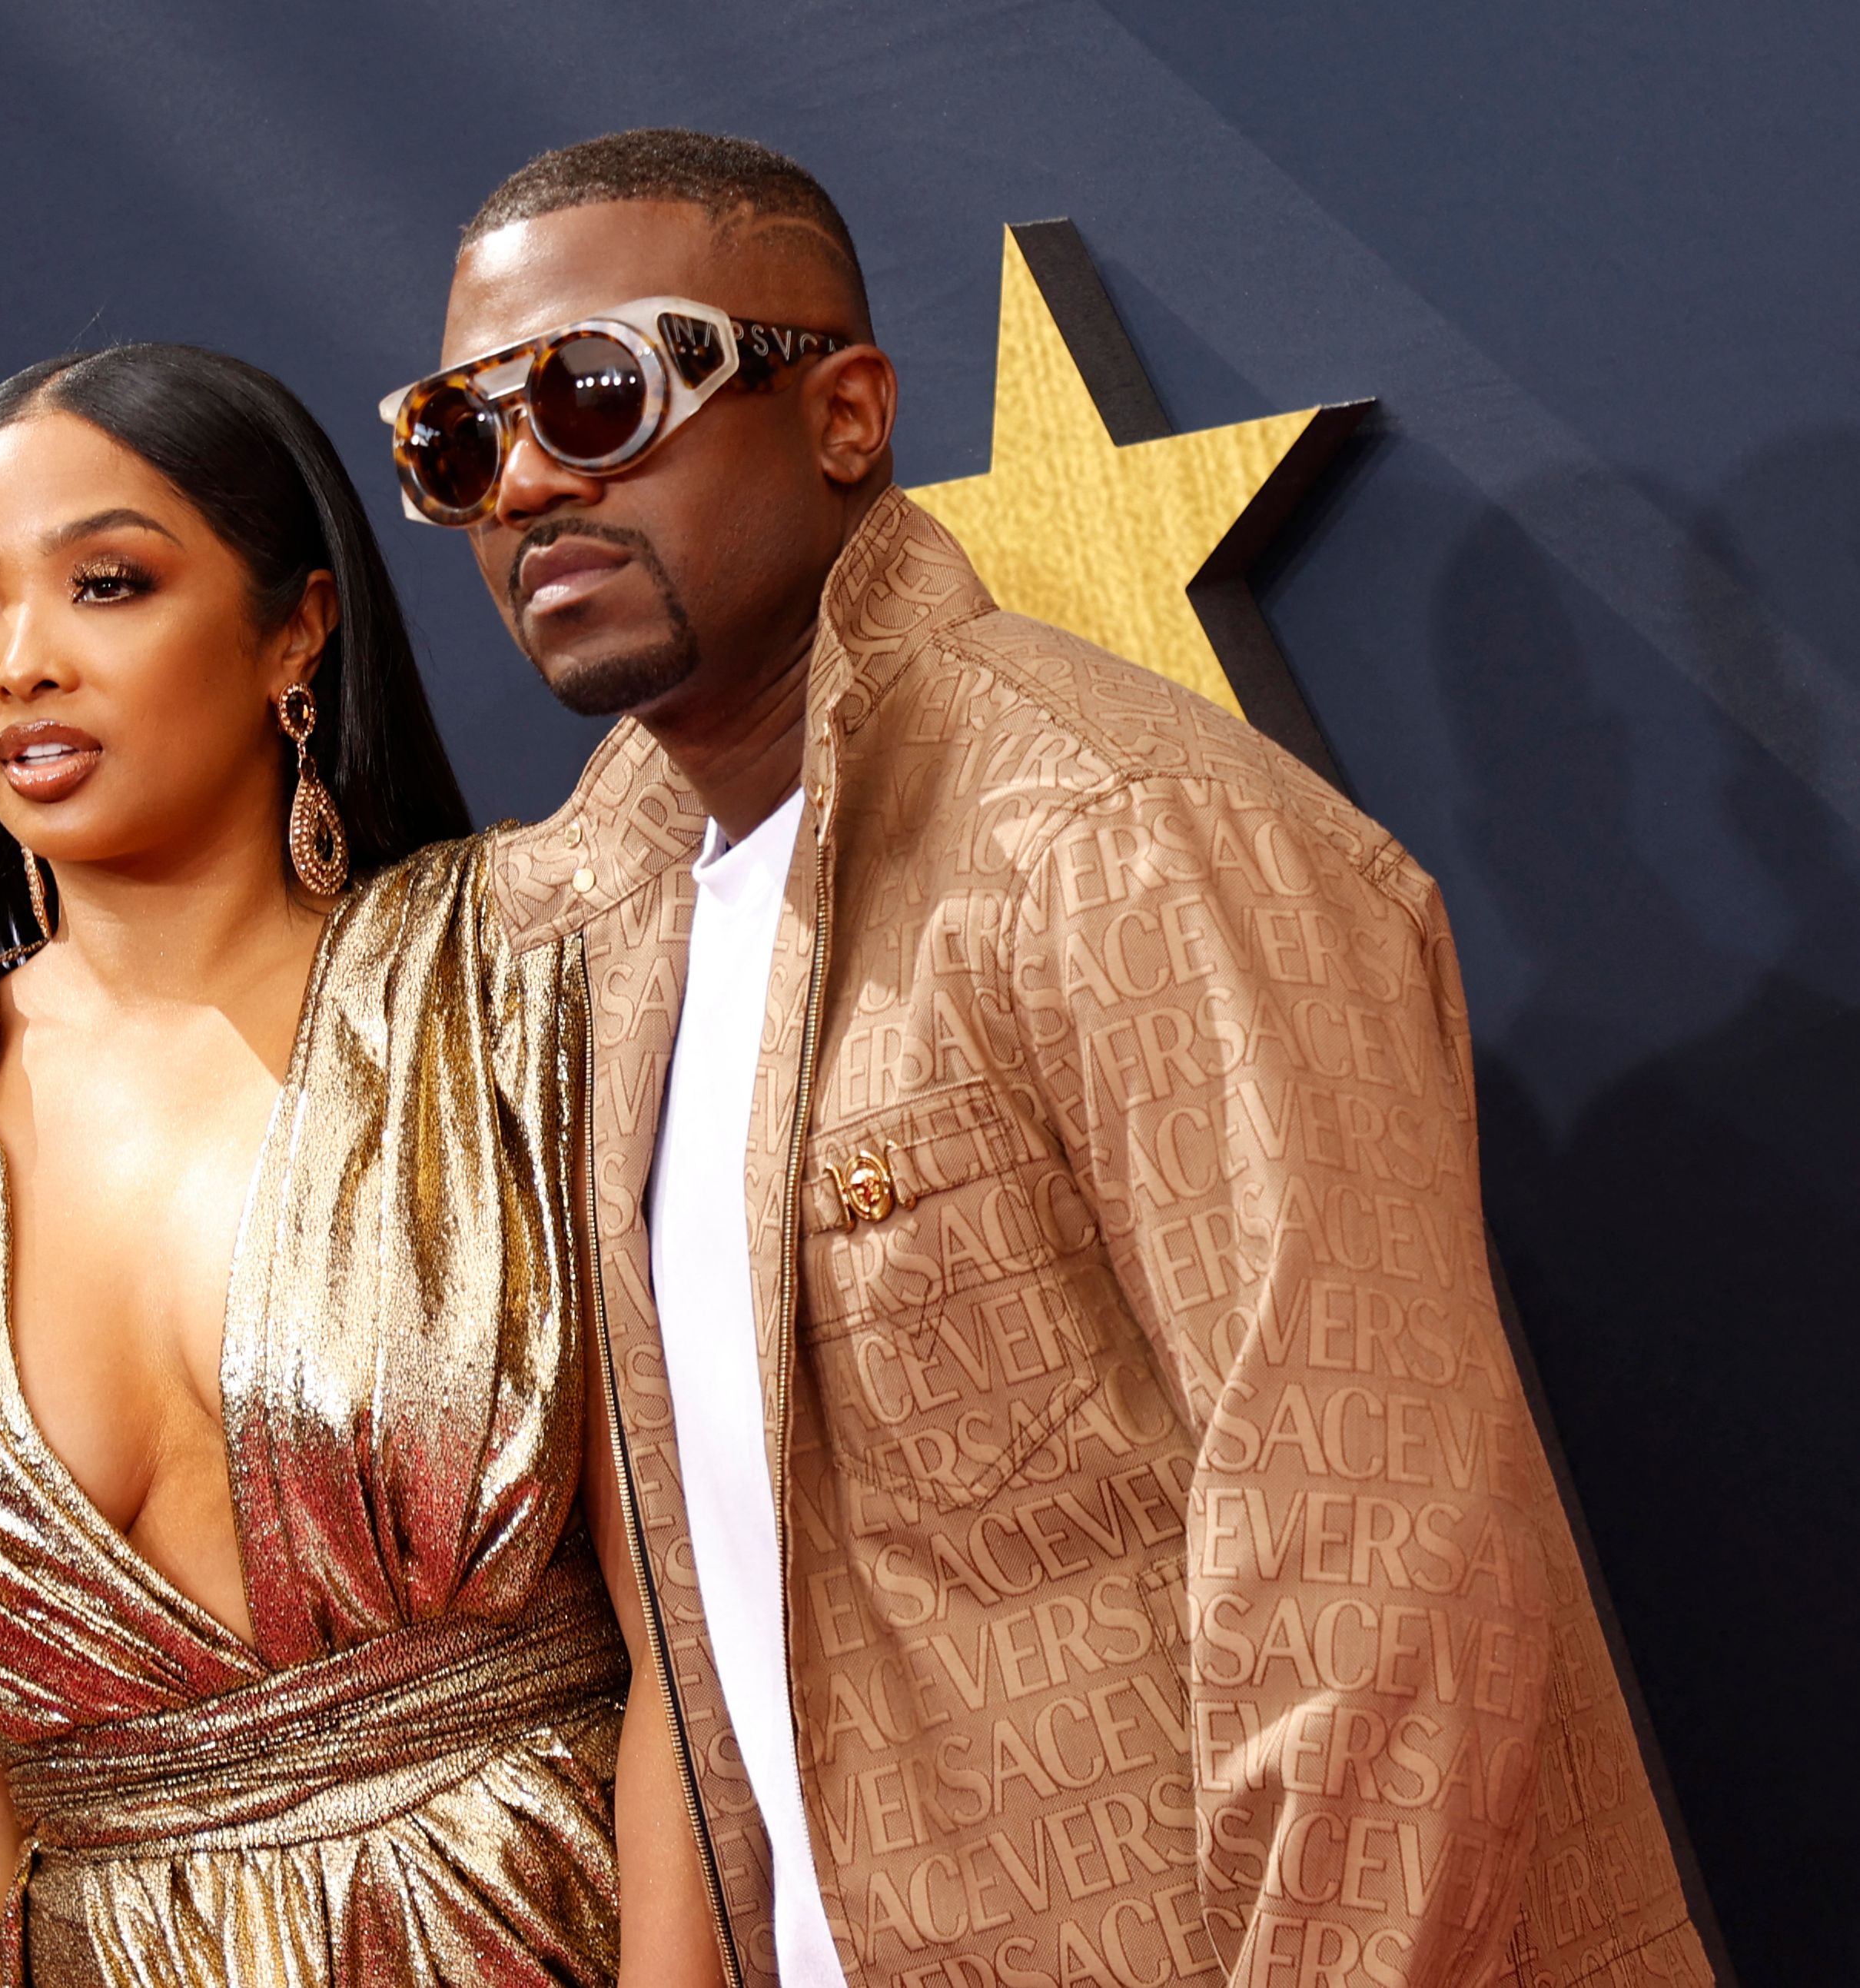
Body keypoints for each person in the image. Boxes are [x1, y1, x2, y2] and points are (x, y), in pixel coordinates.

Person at [381, 130, 1712, 1986]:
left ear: (844, 412)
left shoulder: (1120, 838)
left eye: (603, 395)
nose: (524, 480)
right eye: (457, 439)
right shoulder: (578, 942)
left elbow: (1376, 1577)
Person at [0, 344, 639, 1986]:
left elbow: (711, 1652)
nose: (23, 665)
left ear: (298, 625)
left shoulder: (519, 985)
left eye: (108, 584)